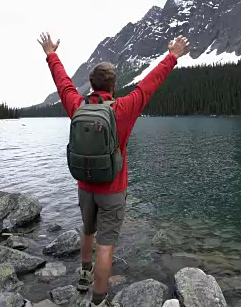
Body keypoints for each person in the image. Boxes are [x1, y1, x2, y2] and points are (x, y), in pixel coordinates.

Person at [38, 32, 190, 307]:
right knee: (106, 245)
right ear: (114, 85)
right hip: (113, 188)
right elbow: (149, 84)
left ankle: (84, 274)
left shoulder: (77, 105)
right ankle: (98, 300)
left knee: (88, 231)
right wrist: (172, 57)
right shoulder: (123, 108)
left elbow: (63, 84)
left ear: (91, 85)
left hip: (84, 185)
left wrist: (51, 55)